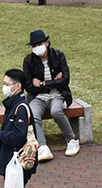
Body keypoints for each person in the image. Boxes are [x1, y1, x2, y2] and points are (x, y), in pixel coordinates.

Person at [23, 29, 78, 160]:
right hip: (37, 98)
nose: (37, 48)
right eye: (34, 45)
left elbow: (65, 80)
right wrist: (54, 81)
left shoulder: (58, 55)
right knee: (34, 115)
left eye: (39, 44)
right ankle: (42, 147)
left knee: (56, 111)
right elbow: (29, 86)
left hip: (57, 95)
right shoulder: (29, 61)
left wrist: (42, 84)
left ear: (47, 43)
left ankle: (71, 140)